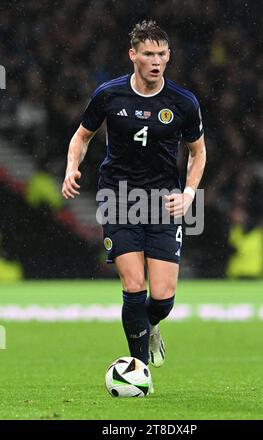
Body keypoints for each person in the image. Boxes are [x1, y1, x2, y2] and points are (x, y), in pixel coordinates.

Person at [62, 20, 206, 385]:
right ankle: (138, 370)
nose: (156, 60)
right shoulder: (109, 95)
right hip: (119, 198)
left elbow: (198, 152)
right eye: (148, 54)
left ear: (169, 56)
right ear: (133, 55)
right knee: (133, 286)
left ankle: (153, 324)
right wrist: (70, 169)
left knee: (162, 297)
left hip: (162, 201)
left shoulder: (183, 102)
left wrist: (189, 194)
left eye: (161, 54)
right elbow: (82, 137)